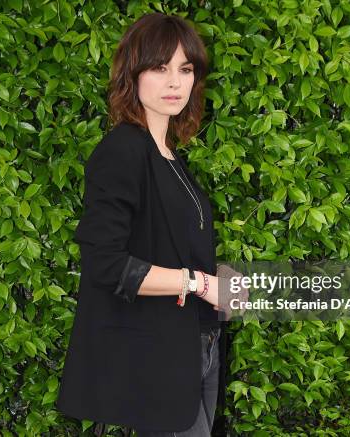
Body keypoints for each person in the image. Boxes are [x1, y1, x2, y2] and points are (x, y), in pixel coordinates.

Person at [56, 12, 233, 437]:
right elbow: (107, 264)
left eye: (185, 69)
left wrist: (218, 281)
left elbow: (168, 250)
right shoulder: (123, 151)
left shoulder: (171, 158)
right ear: (132, 73)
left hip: (198, 348)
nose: (175, 82)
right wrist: (200, 284)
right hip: (159, 360)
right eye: (160, 67)